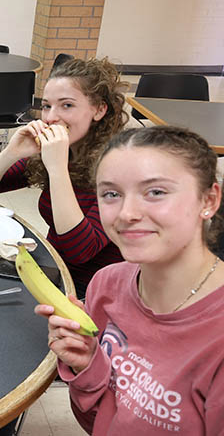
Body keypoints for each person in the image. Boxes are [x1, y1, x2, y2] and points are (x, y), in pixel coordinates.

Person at [36, 126, 224, 434]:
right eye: (111, 194)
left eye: (156, 192)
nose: (127, 213)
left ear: (209, 199)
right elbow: (102, 421)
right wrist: (87, 365)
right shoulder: (106, 285)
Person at [0, 57, 127, 297]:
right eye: (46, 106)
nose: (51, 117)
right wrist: (13, 152)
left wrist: (57, 169)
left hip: (93, 292)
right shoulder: (63, 148)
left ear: (99, 109)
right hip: (53, 268)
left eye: (67, 106)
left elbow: (80, 250)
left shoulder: (119, 168)